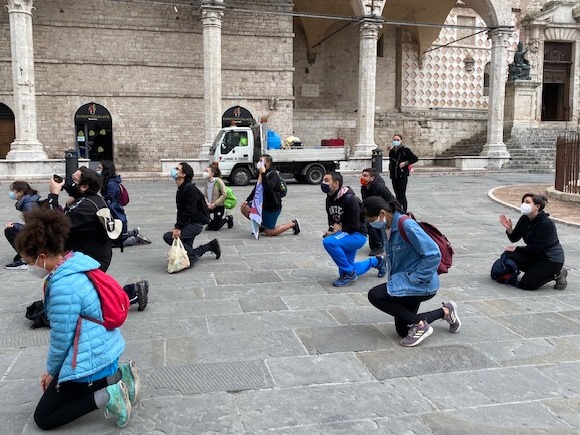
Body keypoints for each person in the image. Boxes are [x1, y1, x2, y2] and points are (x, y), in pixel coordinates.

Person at [15, 208, 139, 430]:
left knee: (44, 417)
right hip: (106, 346)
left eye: (28, 261)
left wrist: (52, 372)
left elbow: (62, 339)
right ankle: (122, 374)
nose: (28, 267)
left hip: (93, 357)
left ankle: (110, 396)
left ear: (41, 258)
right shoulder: (75, 261)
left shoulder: (63, 286)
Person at [363, 196, 461, 347]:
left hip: (420, 284)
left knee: (375, 295)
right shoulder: (386, 227)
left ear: (382, 213)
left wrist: (416, 278)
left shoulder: (406, 225)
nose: (371, 225)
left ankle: (421, 324)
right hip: (404, 282)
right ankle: (446, 311)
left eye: (371, 221)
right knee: (403, 330)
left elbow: (433, 254)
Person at [47, 167, 148, 311]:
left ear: (84, 187)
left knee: (83, 303)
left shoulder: (86, 206)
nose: (67, 182)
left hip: (90, 261)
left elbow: (54, 225)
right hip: (86, 256)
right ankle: (133, 292)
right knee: (78, 298)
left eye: (73, 180)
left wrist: (53, 195)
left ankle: (133, 293)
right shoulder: (88, 200)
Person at [321, 171, 386, 287]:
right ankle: (378, 261)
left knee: (329, 242)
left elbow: (354, 226)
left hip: (356, 235)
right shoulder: (329, 199)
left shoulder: (350, 199)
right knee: (344, 269)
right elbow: (332, 219)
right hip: (345, 234)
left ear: (336, 183)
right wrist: (332, 227)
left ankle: (350, 274)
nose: (323, 183)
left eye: (326, 180)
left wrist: (336, 232)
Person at [498, 193, 567, 290]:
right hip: (536, 255)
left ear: (537, 206)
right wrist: (509, 229)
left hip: (550, 260)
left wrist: (516, 249)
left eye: (527, 202)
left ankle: (557, 273)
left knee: (527, 284)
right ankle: (536, 272)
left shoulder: (546, 224)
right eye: (523, 202)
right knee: (509, 256)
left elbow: (537, 248)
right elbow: (514, 238)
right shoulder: (524, 219)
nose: (523, 205)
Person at [163, 162, 221, 268]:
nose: (174, 170)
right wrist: (177, 226)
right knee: (187, 255)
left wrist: (178, 227)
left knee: (168, 236)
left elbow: (189, 211)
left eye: (177, 169)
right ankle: (210, 246)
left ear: (183, 174)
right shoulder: (181, 189)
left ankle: (201, 250)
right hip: (188, 223)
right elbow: (181, 211)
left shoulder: (189, 188)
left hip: (195, 224)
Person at [240, 154, 300, 237]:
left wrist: (263, 174)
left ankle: (293, 224)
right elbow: (257, 189)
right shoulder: (262, 173)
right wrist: (247, 200)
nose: (259, 163)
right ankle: (261, 225)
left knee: (269, 233)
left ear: (267, 163)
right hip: (262, 204)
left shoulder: (273, 174)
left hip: (272, 207)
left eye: (261, 161)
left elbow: (268, 188)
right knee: (244, 208)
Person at [97, 160, 151, 247]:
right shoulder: (109, 181)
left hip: (115, 213)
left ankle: (135, 239)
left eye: (100, 168)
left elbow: (110, 200)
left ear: (106, 169)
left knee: (115, 242)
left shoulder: (111, 184)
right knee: (115, 236)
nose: (97, 170)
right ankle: (134, 232)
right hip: (116, 212)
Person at [5, 181, 41, 269]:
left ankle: (26, 259)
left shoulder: (29, 205)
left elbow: (34, 228)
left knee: (10, 231)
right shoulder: (30, 201)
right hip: (40, 234)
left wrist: (15, 225)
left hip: (39, 236)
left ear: (20, 192)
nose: (11, 193)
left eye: (13, 191)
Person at [360, 167, 396, 256]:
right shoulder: (364, 188)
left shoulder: (380, 187)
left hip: (383, 211)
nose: (362, 177)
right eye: (362, 175)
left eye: (365, 176)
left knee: (370, 223)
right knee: (367, 222)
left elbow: (392, 200)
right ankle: (377, 245)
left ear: (372, 178)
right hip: (373, 210)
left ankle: (378, 246)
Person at [388, 133, 418, 212]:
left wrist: (405, 163)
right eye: (394, 140)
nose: (396, 141)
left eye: (398, 140)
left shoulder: (405, 150)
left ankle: (404, 210)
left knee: (402, 194)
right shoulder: (392, 151)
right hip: (394, 175)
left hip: (402, 175)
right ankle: (398, 209)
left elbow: (415, 158)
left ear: (401, 141)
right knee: (397, 194)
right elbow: (391, 162)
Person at [202, 165, 233, 231]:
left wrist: (215, 204)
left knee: (215, 228)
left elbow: (224, 194)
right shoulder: (206, 182)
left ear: (212, 174)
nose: (205, 173)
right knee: (201, 214)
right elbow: (204, 195)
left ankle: (228, 218)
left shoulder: (218, 181)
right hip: (209, 205)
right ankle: (211, 223)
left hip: (219, 206)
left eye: (207, 171)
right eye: (205, 171)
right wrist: (207, 203)